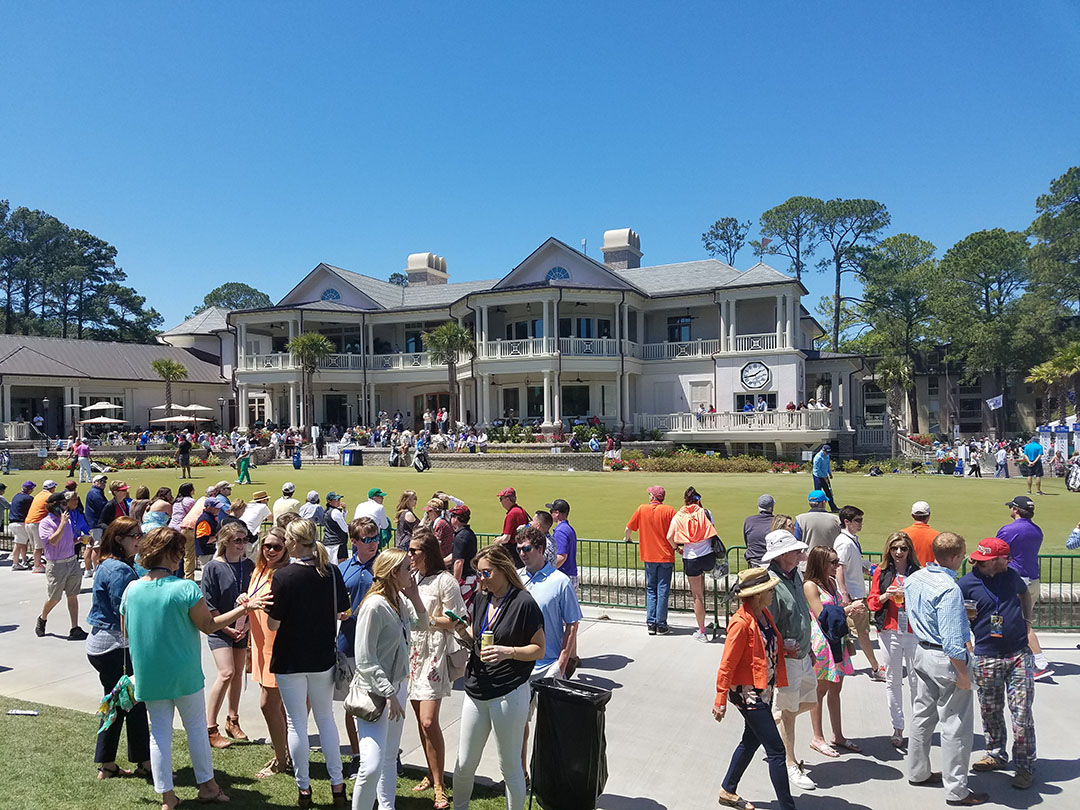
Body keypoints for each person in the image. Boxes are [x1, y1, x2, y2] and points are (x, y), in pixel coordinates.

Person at [121, 526, 268, 810]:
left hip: (149, 675)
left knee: (159, 733)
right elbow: (208, 625)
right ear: (171, 554)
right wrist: (244, 609)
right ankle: (208, 786)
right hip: (184, 673)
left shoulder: (133, 589)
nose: (180, 558)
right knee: (197, 730)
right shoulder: (184, 587)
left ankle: (167, 797)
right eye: (178, 552)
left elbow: (126, 631)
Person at [448, 544, 544, 810]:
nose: (481, 579)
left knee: (510, 766)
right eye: (479, 574)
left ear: (503, 569)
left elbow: (539, 648)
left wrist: (508, 652)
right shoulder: (481, 598)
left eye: (486, 573)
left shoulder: (524, 603)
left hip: (508, 692)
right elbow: (478, 644)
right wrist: (463, 633)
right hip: (477, 688)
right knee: (464, 762)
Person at [267, 518, 351, 808]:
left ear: (292, 542)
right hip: (321, 657)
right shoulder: (331, 572)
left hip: (290, 659)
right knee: (325, 719)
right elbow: (343, 610)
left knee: (296, 724)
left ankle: (304, 788)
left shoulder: (283, 577)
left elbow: (273, 624)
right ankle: (337, 785)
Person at [904, 531, 988, 807]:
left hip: (922, 651)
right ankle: (957, 790)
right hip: (944, 658)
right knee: (956, 726)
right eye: (962, 555)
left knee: (922, 715)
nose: (964, 559)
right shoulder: (950, 589)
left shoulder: (916, 578)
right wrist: (964, 674)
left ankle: (917, 771)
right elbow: (952, 642)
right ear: (953, 557)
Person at [349, 547, 429, 810]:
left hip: (396, 687)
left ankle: (387, 806)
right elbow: (364, 658)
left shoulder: (398, 600)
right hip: (375, 694)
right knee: (371, 765)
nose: (412, 572)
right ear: (394, 573)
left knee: (388, 758)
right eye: (408, 568)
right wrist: (389, 693)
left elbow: (421, 625)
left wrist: (415, 596)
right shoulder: (374, 606)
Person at [713, 568, 796, 810]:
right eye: (769, 590)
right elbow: (727, 664)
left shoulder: (764, 615)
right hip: (748, 694)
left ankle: (728, 790)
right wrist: (720, 699)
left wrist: (785, 652)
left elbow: (765, 647)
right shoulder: (740, 623)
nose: (772, 592)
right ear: (758, 594)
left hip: (763, 689)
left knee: (750, 740)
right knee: (777, 751)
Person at [958, 537, 1037, 790]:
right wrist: (967, 644)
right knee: (990, 710)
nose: (1010, 561)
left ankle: (1024, 766)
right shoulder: (965, 584)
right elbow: (956, 617)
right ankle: (996, 753)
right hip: (985, 655)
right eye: (1006, 558)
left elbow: (1025, 594)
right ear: (994, 560)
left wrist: (1027, 622)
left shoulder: (1011, 576)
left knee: (1022, 714)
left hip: (1018, 654)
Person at [86, 516, 151, 780]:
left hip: (105, 645)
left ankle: (109, 763)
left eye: (140, 534)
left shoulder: (111, 564)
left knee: (119, 704)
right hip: (115, 647)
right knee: (131, 703)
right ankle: (141, 762)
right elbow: (124, 612)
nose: (140, 539)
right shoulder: (119, 570)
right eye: (135, 535)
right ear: (118, 539)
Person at [406, 528, 467, 809]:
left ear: (426, 552)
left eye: (414, 551)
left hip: (435, 653)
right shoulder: (413, 578)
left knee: (430, 720)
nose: (409, 555)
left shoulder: (446, 582)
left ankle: (440, 785)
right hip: (413, 653)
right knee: (420, 720)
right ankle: (431, 775)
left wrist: (426, 620)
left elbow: (457, 620)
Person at [516, 525, 583, 779]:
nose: (522, 553)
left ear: (541, 550)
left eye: (527, 549)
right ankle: (520, 773)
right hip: (520, 664)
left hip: (549, 666)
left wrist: (562, 662)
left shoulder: (560, 582)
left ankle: (549, 775)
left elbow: (572, 623)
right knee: (519, 723)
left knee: (551, 727)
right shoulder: (517, 578)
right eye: (519, 548)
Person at [761, 529, 817, 791]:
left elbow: (803, 613)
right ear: (782, 555)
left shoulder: (795, 575)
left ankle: (771, 721)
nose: (801, 554)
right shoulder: (771, 582)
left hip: (803, 653)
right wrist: (782, 649)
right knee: (791, 712)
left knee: (807, 701)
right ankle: (790, 762)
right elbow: (766, 625)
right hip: (787, 659)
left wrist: (809, 647)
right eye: (796, 551)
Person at [803, 546, 862, 757]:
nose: (837, 566)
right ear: (820, 563)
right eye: (833, 562)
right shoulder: (810, 585)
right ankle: (817, 737)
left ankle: (838, 735)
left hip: (837, 640)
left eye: (837, 562)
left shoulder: (831, 582)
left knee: (836, 689)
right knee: (820, 691)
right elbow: (821, 614)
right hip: (822, 642)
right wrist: (848, 609)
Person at [201, 522, 255, 749]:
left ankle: (233, 719)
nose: (242, 544)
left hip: (242, 628)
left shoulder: (249, 565)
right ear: (225, 542)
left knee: (237, 675)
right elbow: (209, 603)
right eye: (237, 540)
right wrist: (225, 628)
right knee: (226, 673)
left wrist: (247, 626)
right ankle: (209, 727)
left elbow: (255, 597)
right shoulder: (213, 567)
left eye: (244, 540)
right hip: (219, 628)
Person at [245, 527, 291, 779]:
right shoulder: (260, 569)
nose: (271, 550)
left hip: (277, 645)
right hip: (260, 643)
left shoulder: (283, 573)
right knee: (276, 705)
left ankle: (281, 758)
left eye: (277, 546)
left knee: (268, 704)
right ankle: (284, 753)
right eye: (267, 545)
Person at [868, 531, 921, 749]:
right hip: (889, 630)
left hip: (913, 631)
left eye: (903, 548)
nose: (898, 552)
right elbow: (872, 603)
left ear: (910, 550)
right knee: (893, 680)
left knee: (918, 681)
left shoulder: (918, 573)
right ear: (888, 550)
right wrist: (886, 595)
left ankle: (919, 728)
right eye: (894, 548)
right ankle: (898, 727)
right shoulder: (881, 572)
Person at [338, 517, 380, 779]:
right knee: (352, 704)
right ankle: (357, 755)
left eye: (375, 538)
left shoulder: (385, 565)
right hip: (350, 642)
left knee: (380, 702)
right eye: (366, 539)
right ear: (354, 541)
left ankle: (385, 753)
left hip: (379, 644)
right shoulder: (344, 568)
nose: (373, 543)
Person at [996, 495, 1051, 679]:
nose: (1010, 510)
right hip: (1033, 579)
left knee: (1022, 624)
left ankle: (1039, 662)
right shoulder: (1038, 531)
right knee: (1019, 621)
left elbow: (997, 552)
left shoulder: (1008, 530)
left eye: (1011, 507)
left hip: (1017, 580)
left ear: (1016, 510)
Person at [833, 505, 884, 680]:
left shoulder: (850, 540)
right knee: (862, 632)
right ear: (847, 522)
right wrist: (844, 593)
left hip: (854, 593)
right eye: (857, 520)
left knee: (854, 632)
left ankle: (841, 665)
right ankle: (875, 668)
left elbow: (851, 564)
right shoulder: (844, 542)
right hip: (852, 595)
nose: (861, 523)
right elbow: (839, 567)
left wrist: (869, 568)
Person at [667, 486, 719, 642]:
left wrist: (677, 548)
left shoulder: (679, 516)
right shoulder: (706, 513)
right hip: (708, 557)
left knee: (697, 597)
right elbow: (713, 532)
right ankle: (710, 619)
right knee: (705, 590)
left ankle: (702, 631)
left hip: (691, 558)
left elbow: (669, 536)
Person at [35, 491, 88, 640]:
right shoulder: (46, 522)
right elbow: (52, 541)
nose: (66, 507)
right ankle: (42, 618)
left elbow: (68, 540)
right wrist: (62, 524)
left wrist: (80, 539)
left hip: (71, 561)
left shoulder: (67, 520)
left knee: (73, 595)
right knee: (54, 597)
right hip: (56, 565)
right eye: (63, 504)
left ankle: (75, 628)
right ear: (55, 506)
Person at [624, 485, 677, 635]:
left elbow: (628, 529)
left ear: (653, 497)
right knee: (662, 590)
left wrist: (627, 539)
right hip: (666, 556)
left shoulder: (642, 509)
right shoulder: (669, 510)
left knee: (651, 589)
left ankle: (651, 623)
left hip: (649, 555)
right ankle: (660, 624)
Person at [449, 505, 479, 609]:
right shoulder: (470, 533)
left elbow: (458, 562)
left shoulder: (460, 537)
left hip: (464, 580)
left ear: (456, 518)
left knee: (460, 609)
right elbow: (456, 555)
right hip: (472, 578)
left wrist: (455, 584)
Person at [26, 479, 59, 574]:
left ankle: (37, 563)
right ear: (52, 488)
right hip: (36, 523)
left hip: (29, 522)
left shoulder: (38, 495)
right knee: (38, 546)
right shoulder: (49, 496)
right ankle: (37, 566)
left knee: (36, 546)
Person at [547, 498, 579, 592]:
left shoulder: (560, 531)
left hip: (564, 575)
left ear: (557, 513)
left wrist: (547, 570)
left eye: (551, 511)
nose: (550, 514)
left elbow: (561, 557)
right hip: (570, 575)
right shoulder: (568, 528)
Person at [494, 487, 529, 567]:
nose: (500, 501)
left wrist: (496, 541)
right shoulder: (521, 510)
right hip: (521, 548)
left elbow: (506, 538)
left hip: (512, 552)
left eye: (501, 499)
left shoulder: (512, 514)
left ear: (507, 499)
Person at [899, 501, 939, 567]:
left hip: (908, 574)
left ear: (912, 515)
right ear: (929, 515)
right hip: (929, 574)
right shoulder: (938, 537)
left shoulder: (901, 534)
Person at [9, 480, 37, 571]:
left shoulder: (16, 496)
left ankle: (24, 560)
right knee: (18, 544)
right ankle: (15, 563)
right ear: (30, 490)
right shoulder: (28, 499)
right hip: (20, 523)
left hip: (13, 523)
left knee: (21, 543)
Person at [744, 494, 775, 567]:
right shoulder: (777, 521)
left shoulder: (749, 520)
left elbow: (747, 541)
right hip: (771, 562)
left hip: (753, 560)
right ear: (772, 507)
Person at [194, 496, 225, 569]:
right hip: (206, 554)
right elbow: (202, 539)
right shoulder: (204, 520)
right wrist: (219, 536)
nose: (219, 509)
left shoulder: (211, 517)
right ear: (208, 507)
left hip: (210, 552)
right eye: (216, 507)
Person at [322, 492, 350, 562]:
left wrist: (344, 511)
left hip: (328, 542)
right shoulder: (335, 512)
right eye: (336, 500)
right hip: (338, 543)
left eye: (339, 499)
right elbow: (345, 529)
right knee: (341, 565)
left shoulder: (326, 511)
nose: (338, 501)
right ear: (329, 501)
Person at [811, 445, 839, 512]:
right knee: (818, 493)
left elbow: (827, 465)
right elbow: (817, 469)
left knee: (828, 492)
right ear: (823, 450)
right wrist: (824, 477)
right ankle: (817, 509)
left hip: (825, 475)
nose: (827, 454)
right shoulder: (818, 457)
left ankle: (833, 508)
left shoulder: (827, 456)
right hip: (817, 476)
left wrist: (829, 473)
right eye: (826, 452)